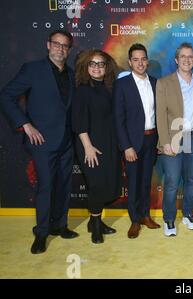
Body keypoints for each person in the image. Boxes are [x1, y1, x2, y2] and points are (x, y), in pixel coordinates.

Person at [0, 30, 79, 254]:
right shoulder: (32, 69)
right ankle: (41, 233)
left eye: (65, 46)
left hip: (67, 141)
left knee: (64, 186)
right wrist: (25, 124)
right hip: (42, 142)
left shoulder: (72, 75)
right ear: (48, 45)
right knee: (46, 187)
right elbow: (6, 96)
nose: (60, 48)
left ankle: (60, 225)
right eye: (56, 44)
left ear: (69, 50)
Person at [72, 49, 121, 244]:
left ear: (106, 67)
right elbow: (78, 122)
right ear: (86, 66)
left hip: (109, 143)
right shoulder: (83, 89)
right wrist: (88, 147)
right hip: (90, 144)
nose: (97, 67)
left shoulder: (111, 87)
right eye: (93, 64)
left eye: (101, 64)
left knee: (108, 183)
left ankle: (95, 222)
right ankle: (95, 228)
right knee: (97, 185)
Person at [156, 42, 193, 237]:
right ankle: (169, 218)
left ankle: (188, 214)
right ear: (176, 60)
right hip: (173, 138)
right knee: (172, 182)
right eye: (182, 56)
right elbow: (160, 114)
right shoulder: (164, 82)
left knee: (191, 180)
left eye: (190, 56)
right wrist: (165, 142)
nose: (187, 60)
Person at [114, 43, 160, 239]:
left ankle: (145, 216)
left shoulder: (156, 83)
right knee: (133, 183)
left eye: (143, 59)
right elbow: (118, 118)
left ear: (147, 61)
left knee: (145, 182)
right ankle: (134, 220)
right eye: (136, 59)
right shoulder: (122, 85)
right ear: (129, 62)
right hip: (132, 143)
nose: (140, 63)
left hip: (151, 141)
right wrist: (126, 146)